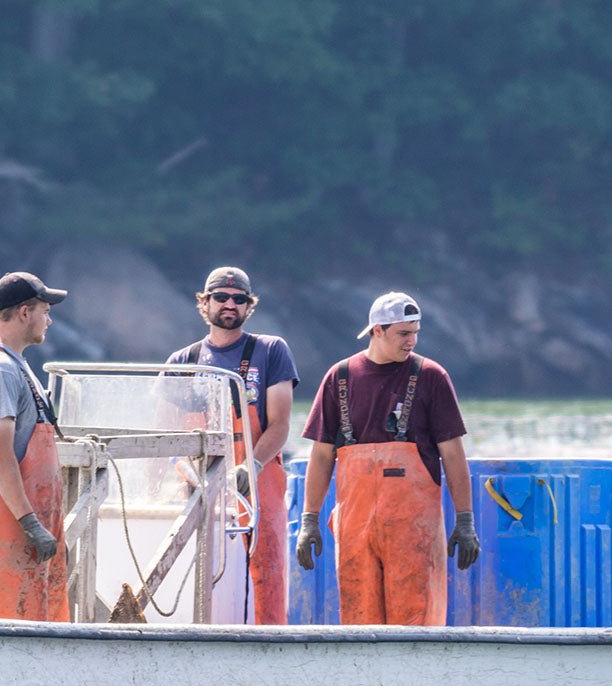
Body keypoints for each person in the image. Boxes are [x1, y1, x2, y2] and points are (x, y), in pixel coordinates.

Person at [296, 291, 479, 625]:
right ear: (377, 330)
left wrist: (465, 520)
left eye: (416, 332)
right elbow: (322, 455)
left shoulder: (431, 376)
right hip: (356, 527)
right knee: (358, 621)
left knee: (417, 620)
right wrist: (309, 520)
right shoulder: (339, 377)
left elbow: (452, 454)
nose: (412, 341)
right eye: (403, 333)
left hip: (413, 529)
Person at [167, 266, 299, 625]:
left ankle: (270, 646)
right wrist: (186, 473)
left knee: (266, 572)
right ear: (204, 303)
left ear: (248, 306)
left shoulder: (270, 350)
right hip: (195, 482)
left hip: (257, 482)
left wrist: (251, 468)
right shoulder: (182, 361)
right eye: (220, 297)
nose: (229, 304)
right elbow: (163, 433)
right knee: (195, 570)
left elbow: (281, 425)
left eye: (239, 299)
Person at [0, 271, 70, 621]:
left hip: (31, 529)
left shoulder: (17, 366)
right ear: (25, 312)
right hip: (11, 529)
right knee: (11, 623)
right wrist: (30, 523)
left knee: (40, 624)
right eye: (44, 310)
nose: (48, 320)